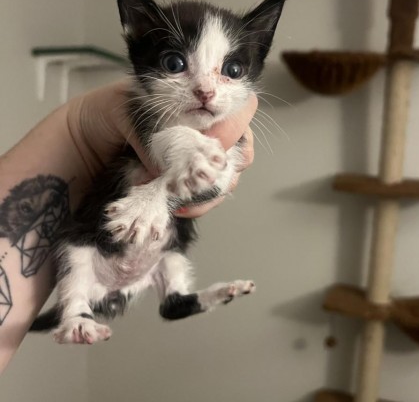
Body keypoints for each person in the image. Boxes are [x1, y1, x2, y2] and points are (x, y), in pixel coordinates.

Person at [0, 80, 257, 373]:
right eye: (175, 66)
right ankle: (76, 312)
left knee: (167, 263)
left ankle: (168, 300)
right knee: (77, 248)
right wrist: (77, 131)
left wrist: (78, 132)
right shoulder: (150, 118)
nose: (205, 89)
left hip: (148, 257)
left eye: (231, 72)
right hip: (102, 251)